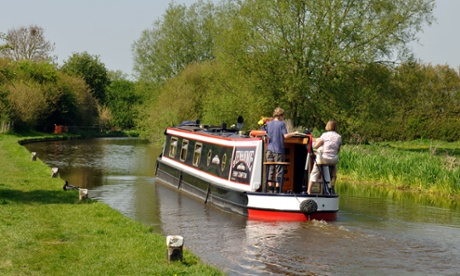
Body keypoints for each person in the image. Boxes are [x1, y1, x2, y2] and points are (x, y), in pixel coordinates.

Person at [264, 107, 296, 193]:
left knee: (270, 169)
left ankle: (270, 189)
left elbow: (265, 133)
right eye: (283, 116)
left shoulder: (269, 124)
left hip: (269, 149)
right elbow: (285, 136)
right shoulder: (282, 124)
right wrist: (295, 133)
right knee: (279, 170)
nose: (283, 118)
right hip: (278, 149)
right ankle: (277, 190)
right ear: (280, 116)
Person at [307, 120, 342, 194]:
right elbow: (338, 149)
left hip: (324, 159)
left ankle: (309, 191)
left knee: (314, 172)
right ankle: (331, 187)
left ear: (328, 126)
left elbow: (316, 146)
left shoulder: (324, 135)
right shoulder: (339, 137)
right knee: (333, 169)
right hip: (333, 160)